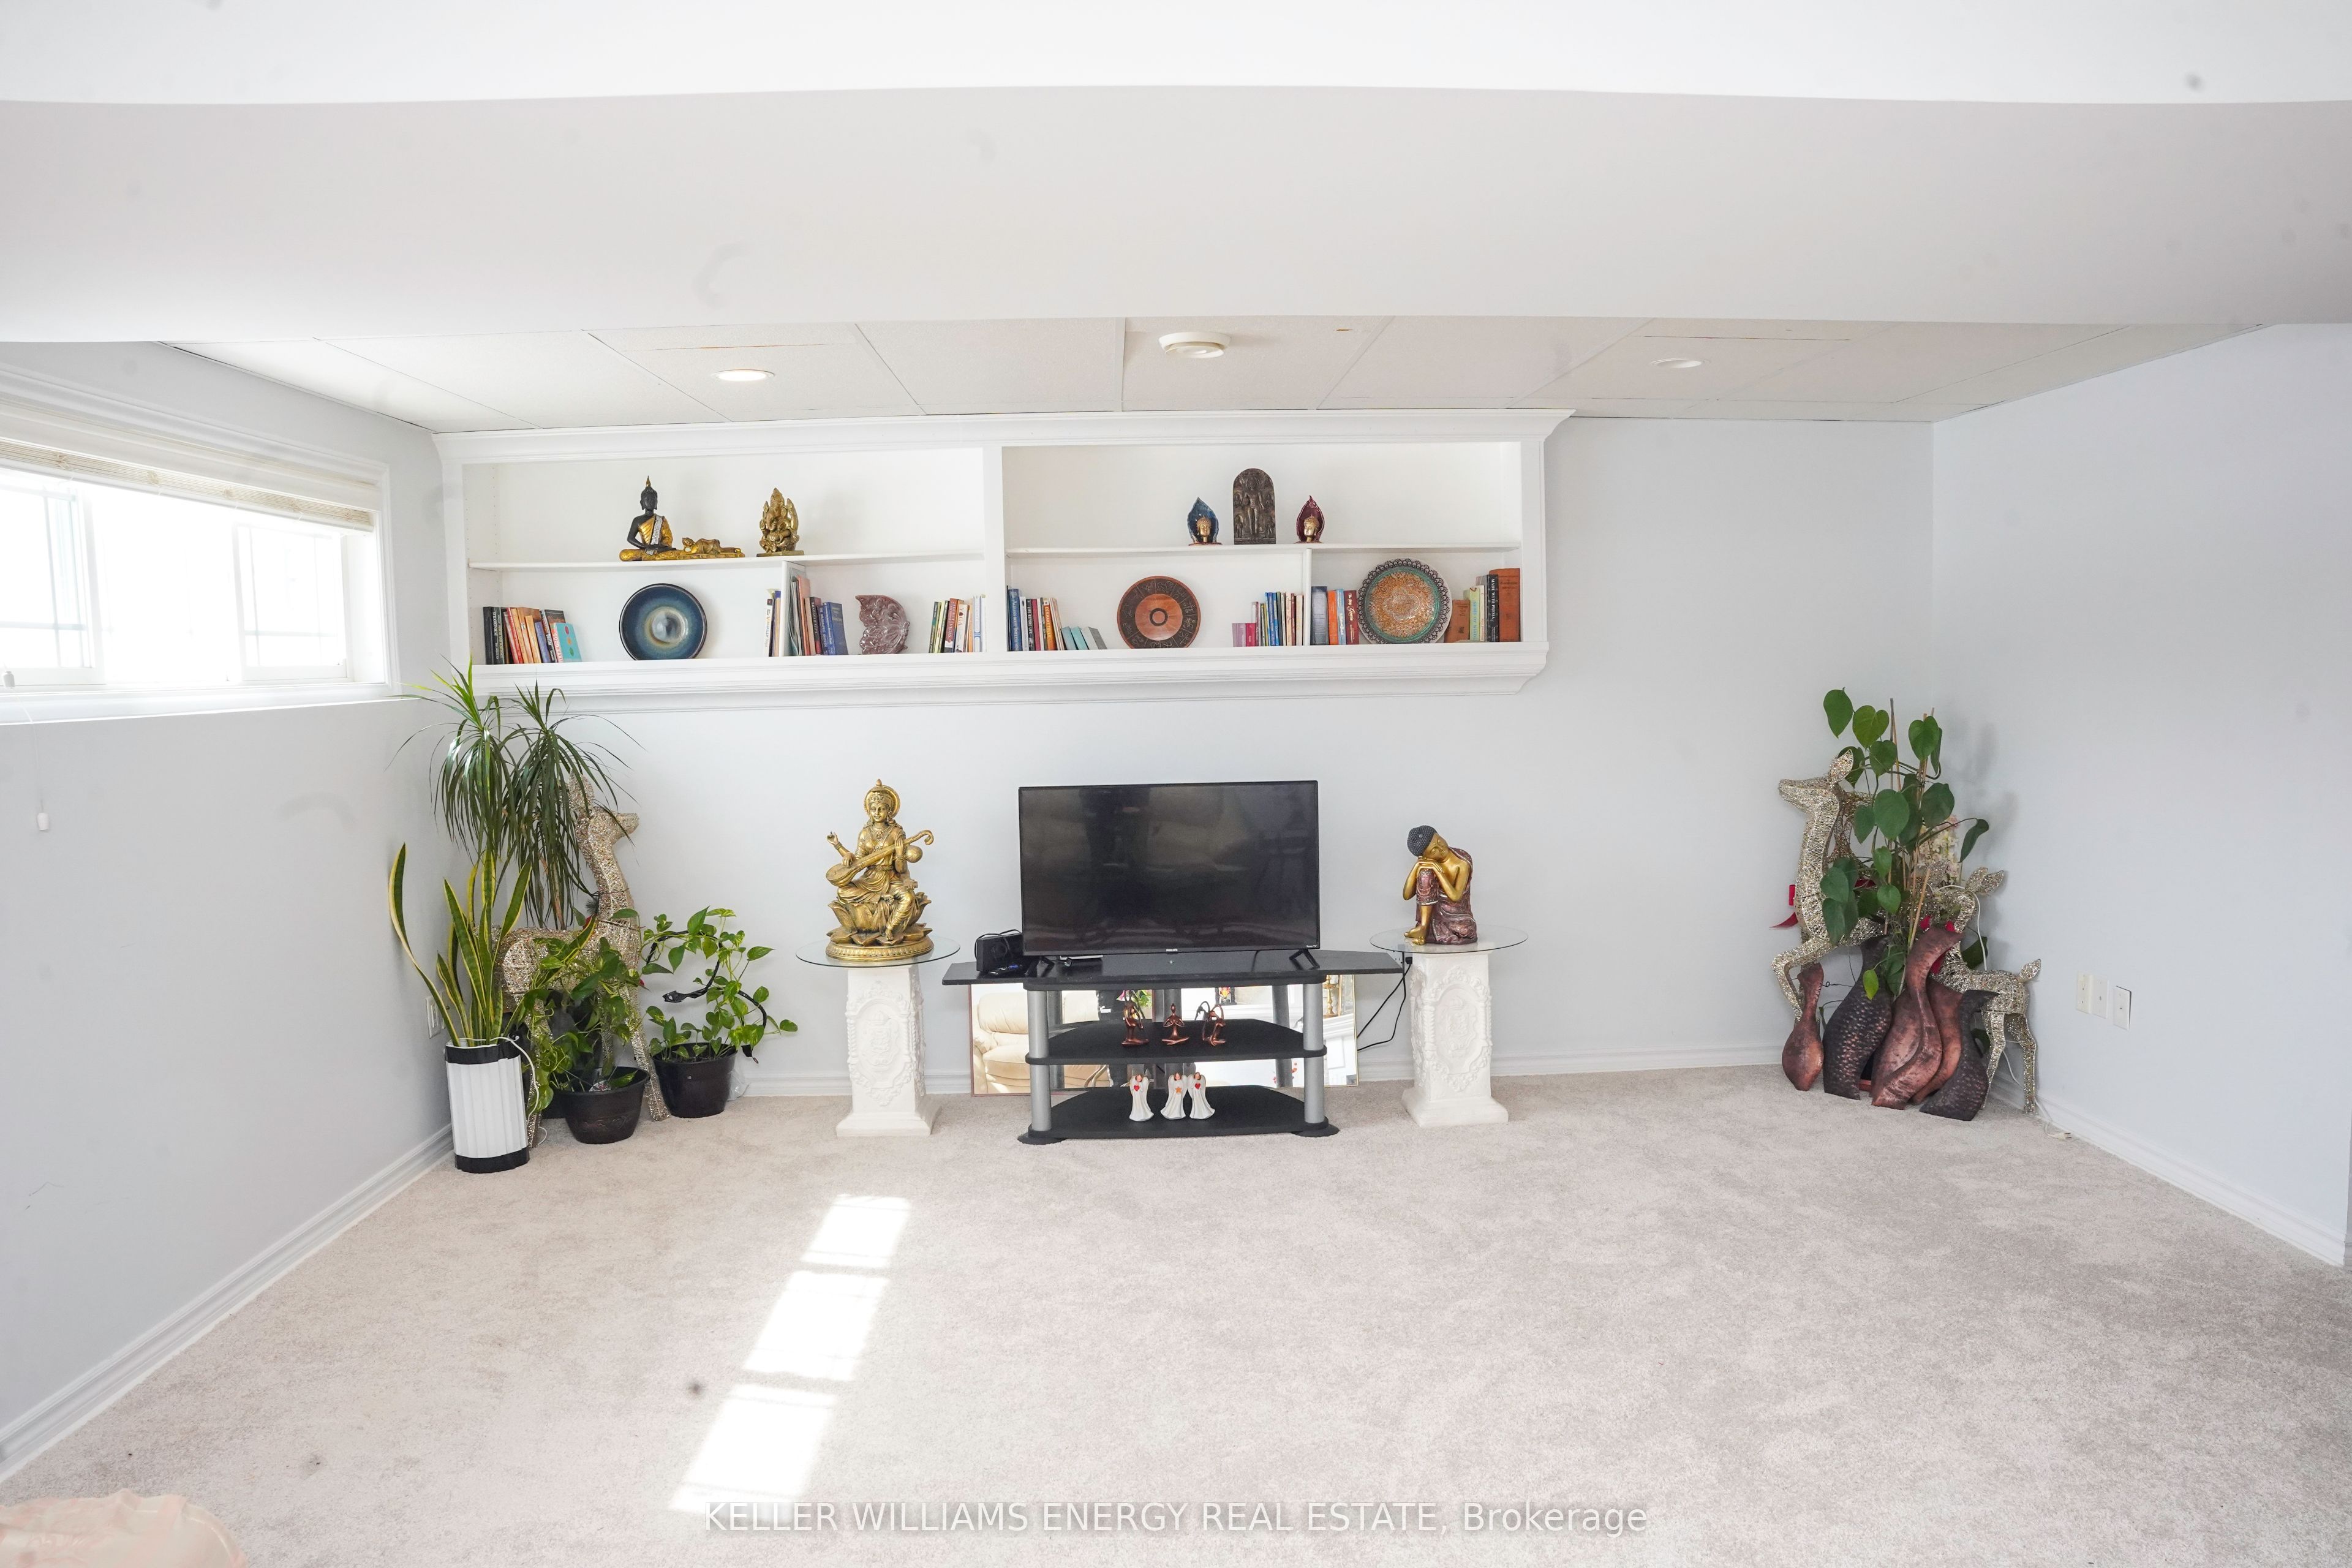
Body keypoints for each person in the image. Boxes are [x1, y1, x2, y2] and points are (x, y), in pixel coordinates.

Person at [1402, 824, 1477, 944]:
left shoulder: (1461, 862)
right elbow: (1406, 896)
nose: (1440, 848)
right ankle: (1424, 927)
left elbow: (1456, 897)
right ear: (1425, 856)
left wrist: (1438, 871)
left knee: (1466, 930)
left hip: (1456, 915)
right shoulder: (1427, 864)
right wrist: (1417, 866)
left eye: (1439, 841)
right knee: (1425, 874)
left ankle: (1427, 931)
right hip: (1432, 914)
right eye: (1433, 851)